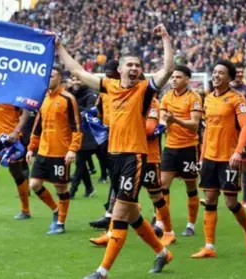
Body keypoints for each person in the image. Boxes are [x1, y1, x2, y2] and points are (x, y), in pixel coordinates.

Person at [56, 23, 174, 278]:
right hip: (115, 157)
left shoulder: (144, 90)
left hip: (135, 157)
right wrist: (59, 47)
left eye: (137, 66)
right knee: (131, 214)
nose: (134, 68)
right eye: (129, 65)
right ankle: (162, 252)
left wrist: (165, 38)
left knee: (120, 214)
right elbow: (76, 69)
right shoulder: (108, 86)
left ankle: (102, 271)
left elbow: (167, 70)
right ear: (119, 69)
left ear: (141, 71)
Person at [192, 60, 246, 258]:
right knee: (210, 199)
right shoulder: (208, 98)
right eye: (214, 72)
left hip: (228, 158)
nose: (216, 75)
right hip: (210, 157)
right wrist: (202, 158)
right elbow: (207, 131)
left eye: (221, 73)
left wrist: (238, 152)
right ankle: (209, 247)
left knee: (230, 202)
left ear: (229, 77)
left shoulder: (238, 99)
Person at [89, 96, 173, 248]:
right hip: (126, 155)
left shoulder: (152, 102)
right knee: (119, 195)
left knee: (156, 196)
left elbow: (149, 131)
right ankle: (110, 233)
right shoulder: (124, 100)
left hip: (149, 157)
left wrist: (127, 128)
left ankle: (168, 231)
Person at [26, 65, 81, 234]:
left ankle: (60, 223)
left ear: (60, 78)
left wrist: (73, 149)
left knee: (61, 188)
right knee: (34, 184)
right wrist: (31, 148)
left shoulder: (68, 98)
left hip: (60, 152)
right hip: (43, 150)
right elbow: (37, 126)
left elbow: (76, 126)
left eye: (52, 75)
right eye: (47, 76)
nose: (49, 78)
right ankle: (56, 210)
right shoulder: (43, 98)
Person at [159, 65, 202, 244]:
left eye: (178, 77)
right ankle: (162, 223)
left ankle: (190, 224)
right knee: (162, 186)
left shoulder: (194, 98)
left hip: (189, 147)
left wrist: (174, 119)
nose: (173, 79)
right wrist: (163, 124)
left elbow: (194, 124)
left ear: (187, 79)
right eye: (172, 77)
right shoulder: (166, 97)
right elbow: (163, 121)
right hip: (170, 147)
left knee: (190, 187)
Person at [88, 60, 120, 230]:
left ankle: (156, 218)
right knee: (115, 176)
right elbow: (98, 111)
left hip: (125, 136)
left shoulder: (124, 89)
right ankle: (111, 213)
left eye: (111, 71)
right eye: (106, 71)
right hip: (108, 136)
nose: (107, 74)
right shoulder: (103, 92)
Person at [231, 62, 246, 208]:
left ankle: (245, 199)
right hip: (229, 133)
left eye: (241, 72)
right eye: (237, 72)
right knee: (231, 165)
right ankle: (232, 195)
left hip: (244, 132)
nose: (239, 74)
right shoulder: (227, 89)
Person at [69, 75, 98, 198]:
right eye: (74, 79)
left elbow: (88, 113)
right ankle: (89, 188)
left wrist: (72, 105)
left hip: (88, 134)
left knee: (80, 162)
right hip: (75, 132)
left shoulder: (91, 95)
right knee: (81, 162)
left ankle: (72, 191)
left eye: (79, 79)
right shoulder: (69, 94)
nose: (76, 82)